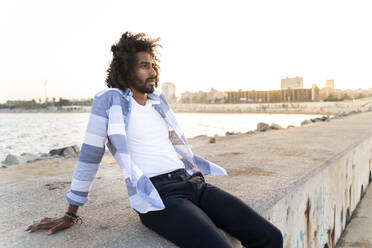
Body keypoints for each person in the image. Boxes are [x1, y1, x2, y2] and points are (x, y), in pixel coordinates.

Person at [26, 32, 283, 248]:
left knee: (271, 237)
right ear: (126, 71)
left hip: (193, 183)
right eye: (144, 65)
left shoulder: (158, 101)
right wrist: (71, 213)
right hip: (159, 197)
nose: (153, 72)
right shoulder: (110, 100)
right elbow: (90, 156)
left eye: (153, 65)